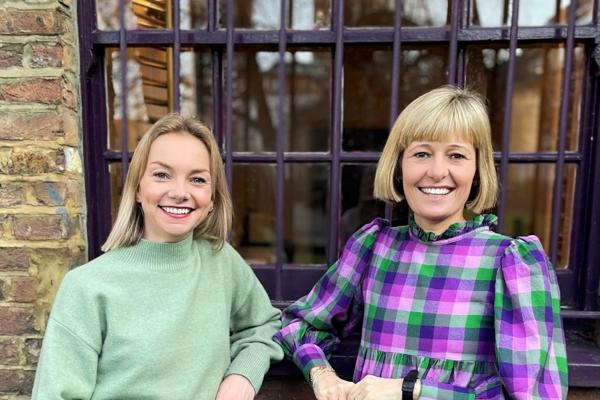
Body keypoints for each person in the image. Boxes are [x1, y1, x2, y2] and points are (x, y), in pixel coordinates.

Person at [274, 86, 568, 400]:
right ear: (400, 165)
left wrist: (412, 390)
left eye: (456, 155)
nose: (437, 172)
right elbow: (298, 325)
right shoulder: (373, 248)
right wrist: (321, 372)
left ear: (477, 169)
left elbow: (537, 396)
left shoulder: (511, 263)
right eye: (422, 154)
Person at [32, 114, 283, 399]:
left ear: (212, 198)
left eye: (197, 179)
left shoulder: (221, 261)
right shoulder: (86, 287)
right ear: (138, 189)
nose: (180, 193)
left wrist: (242, 376)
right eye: (162, 175)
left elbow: (264, 325)